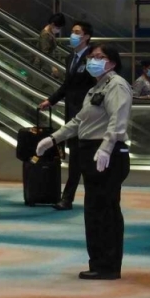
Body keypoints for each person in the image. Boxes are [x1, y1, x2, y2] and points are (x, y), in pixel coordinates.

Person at [36, 43, 132, 280]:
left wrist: (107, 147)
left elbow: (118, 120)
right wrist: (53, 139)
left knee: (104, 209)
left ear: (112, 62)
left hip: (107, 153)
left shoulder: (117, 85)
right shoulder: (95, 88)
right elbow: (79, 121)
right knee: (94, 209)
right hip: (90, 151)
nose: (93, 60)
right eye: (91, 56)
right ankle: (99, 262)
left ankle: (108, 265)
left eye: (99, 57)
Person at [39, 20, 96, 211]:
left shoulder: (94, 57)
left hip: (89, 116)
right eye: (72, 31)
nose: (73, 35)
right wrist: (51, 100)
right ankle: (68, 198)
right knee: (75, 158)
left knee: (86, 159)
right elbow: (67, 85)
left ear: (86, 36)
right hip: (72, 115)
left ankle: (86, 198)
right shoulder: (70, 58)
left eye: (77, 32)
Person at [35, 13, 65, 78]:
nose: (59, 30)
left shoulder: (50, 32)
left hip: (45, 63)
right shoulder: (46, 35)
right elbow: (45, 52)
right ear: (52, 24)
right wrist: (53, 67)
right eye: (58, 28)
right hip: (42, 64)